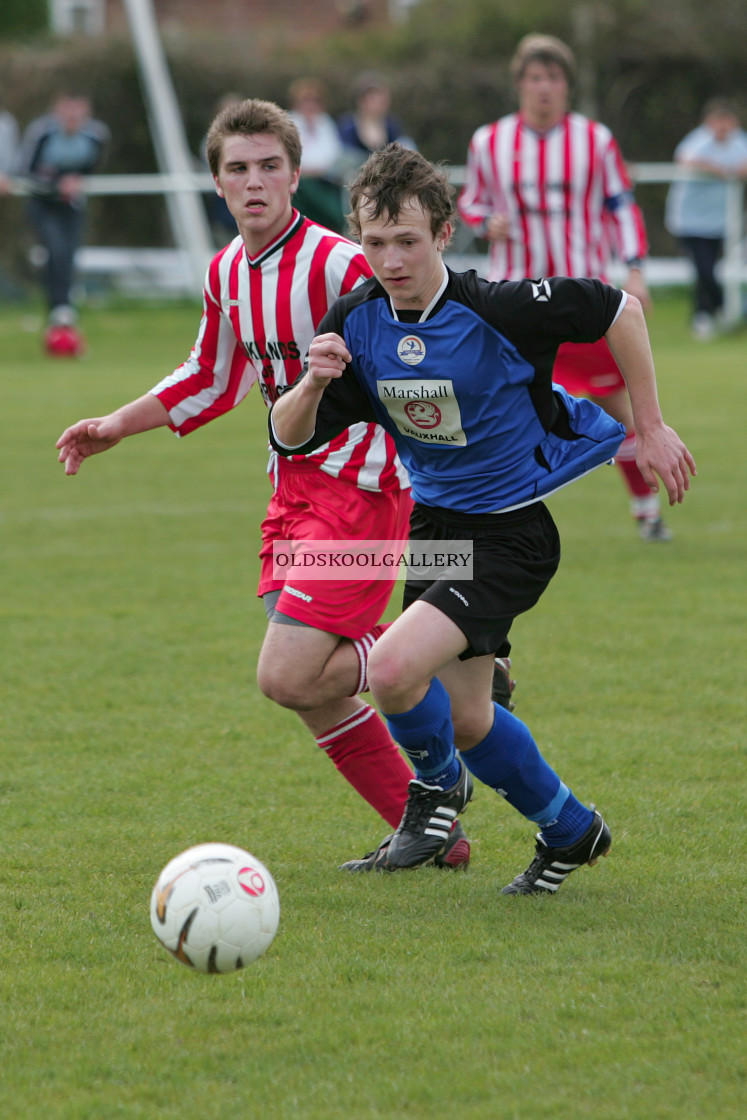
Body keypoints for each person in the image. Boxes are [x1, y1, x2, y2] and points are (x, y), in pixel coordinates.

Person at [55, 99, 471, 871]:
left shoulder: (341, 263)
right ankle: (434, 835)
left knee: (286, 672)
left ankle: (438, 646)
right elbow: (209, 378)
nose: (255, 183)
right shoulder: (225, 273)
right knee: (309, 691)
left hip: (361, 492)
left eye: (269, 167)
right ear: (216, 183)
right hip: (291, 493)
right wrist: (117, 423)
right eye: (238, 169)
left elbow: (424, 348)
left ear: (293, 173)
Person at [269, 143, 695, 891]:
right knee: (466, 720)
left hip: (509, 535)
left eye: (407, 240)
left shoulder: (495, 307)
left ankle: (435, 795)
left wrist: (650, 427)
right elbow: (288, 434)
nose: (391, 259)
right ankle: (569, 829)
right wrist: (312, 379)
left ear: (442, 233)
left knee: (396, 673)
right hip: (434, 530)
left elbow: (619, 309)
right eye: (373, 243)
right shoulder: (357, 319)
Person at [458, 34, 672, 543]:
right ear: (520, 85)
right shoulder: (488, 141)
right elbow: (469, 201)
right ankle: (487, 520)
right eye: (535, 78)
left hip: (582, 301)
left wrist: (635, 268)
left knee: (620, 408)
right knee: (494, 413)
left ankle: (646, 511)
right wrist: (486, 221)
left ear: (566, 85)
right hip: (511, 301)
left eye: (553, 78)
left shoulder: (594, 141)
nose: (544, 88)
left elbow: (622, 205)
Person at [17, 93, 109, 350]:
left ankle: (64, 312)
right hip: (43, 203)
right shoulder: (42, 132)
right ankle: (59, 308)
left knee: (68, 254)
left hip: (72, 205)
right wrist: (57, 184)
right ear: (58, 111)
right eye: (68, 113)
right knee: (54, 251)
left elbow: (93, 166)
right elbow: (25, 169)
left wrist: (77, 181)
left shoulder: (96, 135)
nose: (73, 119)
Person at [665, 98, 747, 340]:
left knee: (707, 270)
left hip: (720, 221)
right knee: (704, 269)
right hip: (689, 220)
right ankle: (721, 308)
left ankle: (702, 316)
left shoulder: (738, 141)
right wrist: (720, 169)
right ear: (710, 123)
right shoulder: (698, 140)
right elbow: (685, 159)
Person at [287, 77, 347, 234]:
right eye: (306, 100)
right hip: (300, 184)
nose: (310, 105)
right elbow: (294, 159)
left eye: (315, 101)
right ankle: (339, 219)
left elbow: (334, 155)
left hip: (327, 181)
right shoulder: (290, 122)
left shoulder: (325, 123)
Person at [337, 72, 416, 163]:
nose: (377, 104)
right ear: (361, 100)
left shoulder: (392, 125)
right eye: (373, 99)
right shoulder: (348, 126)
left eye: (381, 100)